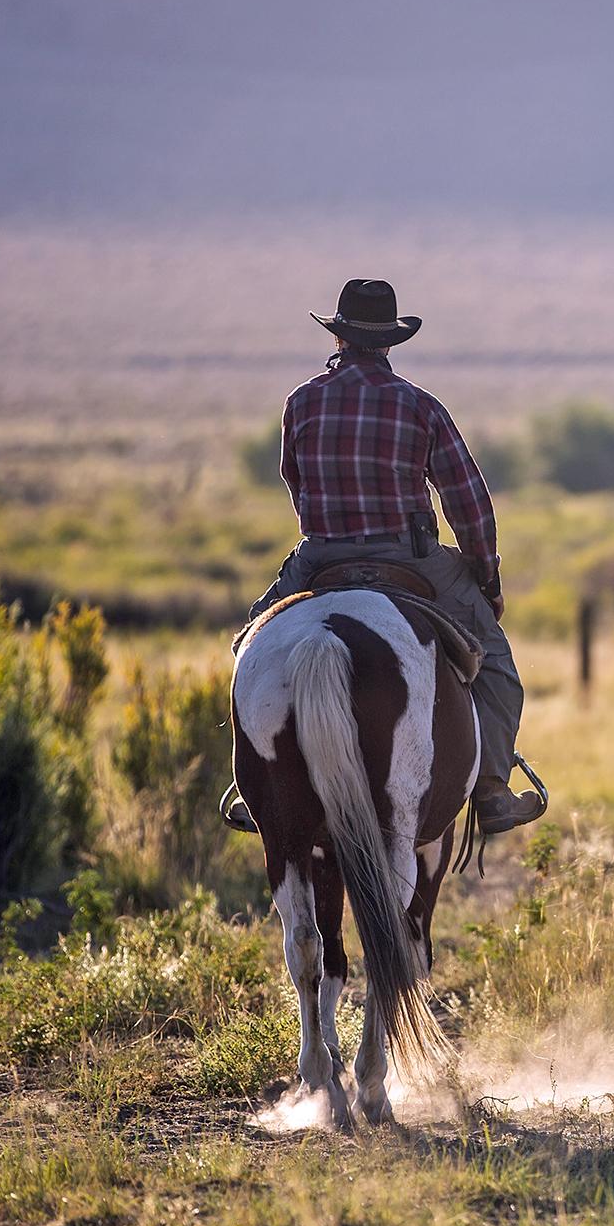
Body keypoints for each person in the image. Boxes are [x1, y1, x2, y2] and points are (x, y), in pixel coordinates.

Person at [226, 278, 542, 836]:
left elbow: (294, 482)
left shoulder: (300, 402)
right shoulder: (421, 407)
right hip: (409, 556)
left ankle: (260, 782)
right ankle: (492, 788)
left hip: (320, 555)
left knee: (250, 646)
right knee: (496, 665)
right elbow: (469, 502)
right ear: (390, 342)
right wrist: (485, 580)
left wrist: (329, 528)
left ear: (340, 336)